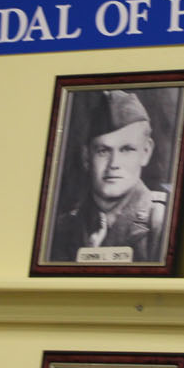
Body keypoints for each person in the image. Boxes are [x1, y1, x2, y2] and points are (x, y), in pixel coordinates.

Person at [49, 90, 167, 263]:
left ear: (146, 152)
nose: (114, 164)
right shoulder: (63, 227)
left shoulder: (161, 223)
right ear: (86, 157)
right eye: (103, 151)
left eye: (127, 149)